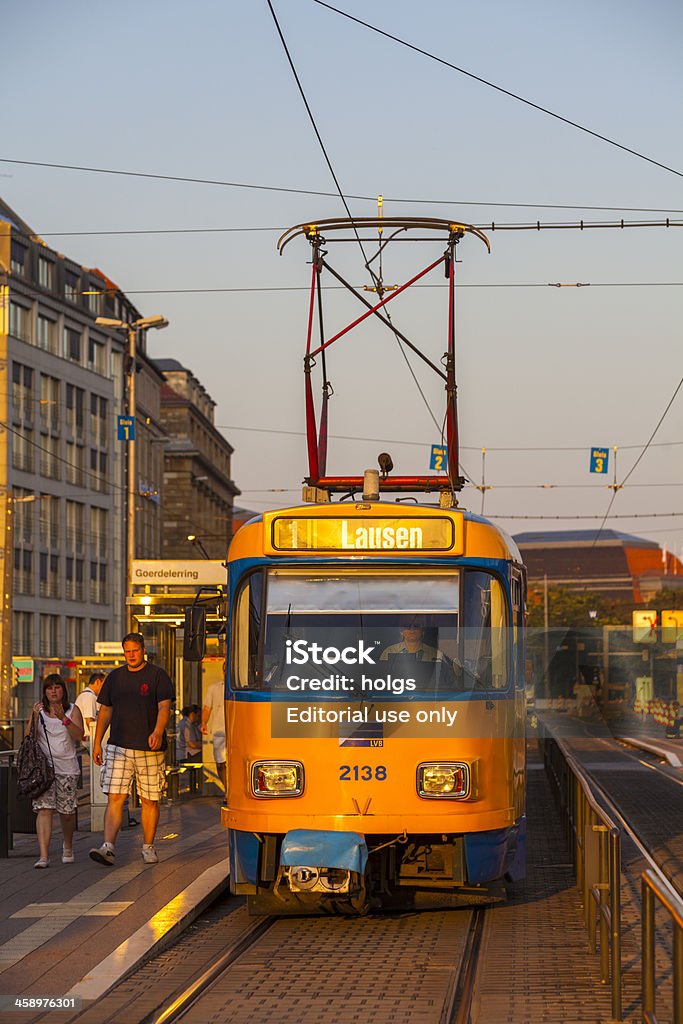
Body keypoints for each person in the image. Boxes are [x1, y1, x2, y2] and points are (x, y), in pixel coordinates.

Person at [89, 632, 174, 867]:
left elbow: (164, 706)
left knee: (150, 799)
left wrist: (157, 731)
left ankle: (148, 846)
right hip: (118, 745)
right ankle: (108, 847)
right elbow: (105, 711)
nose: (131, 655)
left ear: (143, 650)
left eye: (135, 651)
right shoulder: (115, 678)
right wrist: (97, 743)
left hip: (149, 747)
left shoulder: (157, 675)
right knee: (115, 797)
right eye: (127, 651)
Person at [30, 674, 84, 868]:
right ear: (45, 691)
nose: (53, 691)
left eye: (57, 687)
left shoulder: (72, 710)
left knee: (67, 813)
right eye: (49, 688)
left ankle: (67, 846)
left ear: (63, 689)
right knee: (44, 810)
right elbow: (30, 736)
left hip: (67, 767)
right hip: (44, 770)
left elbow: (80, 736)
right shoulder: (39, 710)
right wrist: (35, 717)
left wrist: (63, 718)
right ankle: (43, 855)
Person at [380, 615, 459, 688]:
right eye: (407, 626)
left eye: (416, 626)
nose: (412, 629)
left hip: (427, 699)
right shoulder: (389, 652)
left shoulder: (436, 654)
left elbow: (448, 682)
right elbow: (380, 679)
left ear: (423, 631)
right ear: (401, 631)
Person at [202, 673, 226, 792]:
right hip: (219, 731)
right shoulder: (214, 688)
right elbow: (207, 707)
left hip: (237, 731)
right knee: (220, 762)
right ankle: (227, 789)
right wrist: (204, 723)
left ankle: (233, 791)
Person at [74, 671, 106, 746]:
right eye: (104, 684)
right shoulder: (89, 697)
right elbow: (90, 721)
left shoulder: (87, 696)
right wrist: (97, 742)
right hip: (89, 739)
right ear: (97, 682)